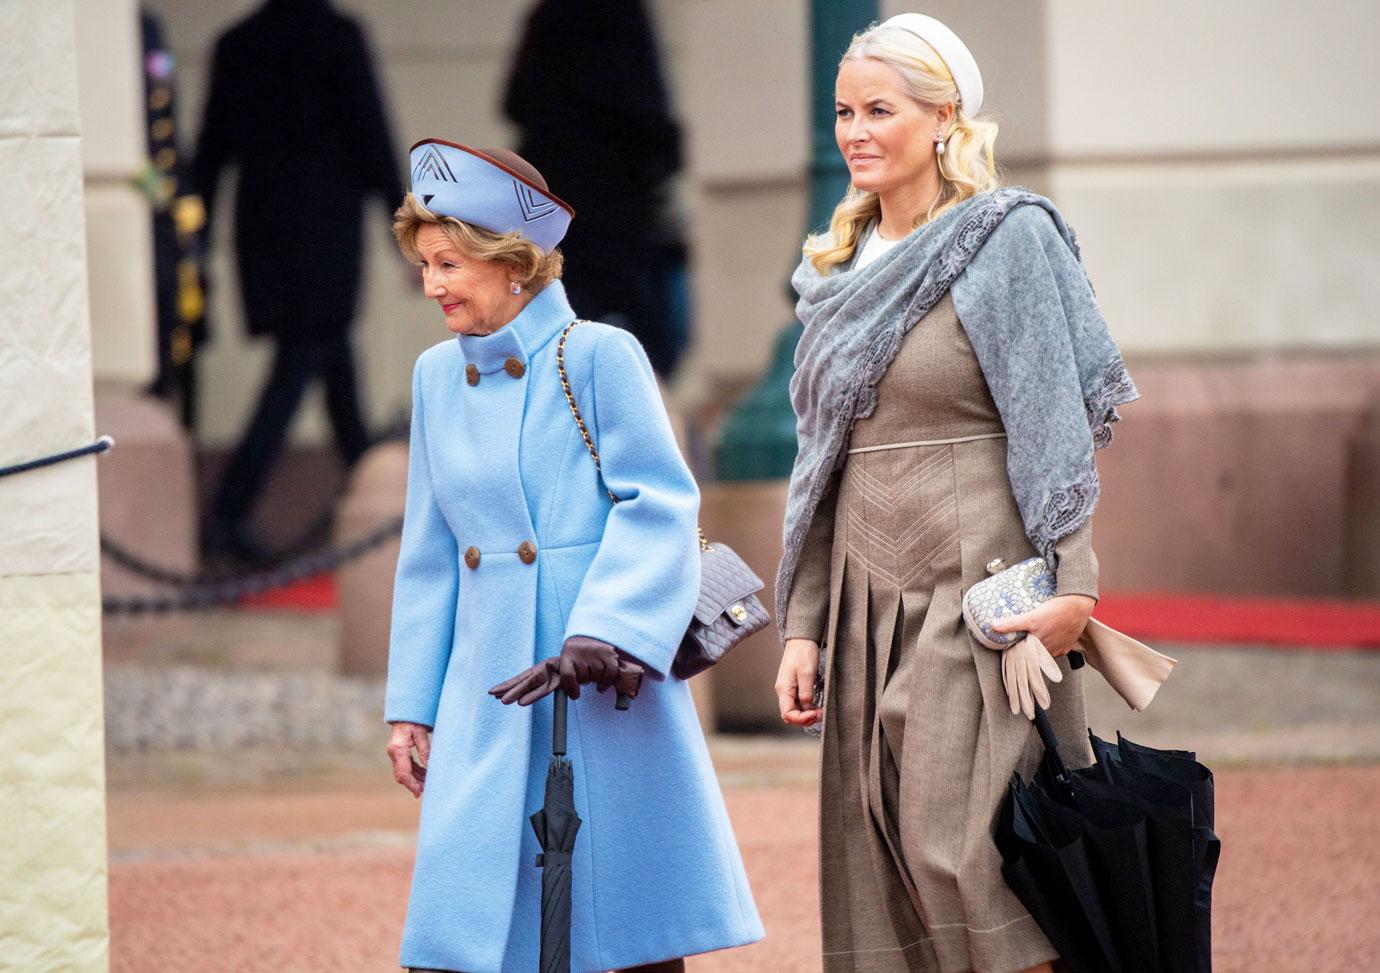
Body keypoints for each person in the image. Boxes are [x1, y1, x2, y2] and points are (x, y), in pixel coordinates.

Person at [772, 14, 1139, 973]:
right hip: (865, 596)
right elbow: (819, 464)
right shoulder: (833, 272)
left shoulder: (1003, 239)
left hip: (980, 592)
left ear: (943, 119)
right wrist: (804, 624)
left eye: (878, 110)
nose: (854, 130)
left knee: (967, 853)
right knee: (884, 856)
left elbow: (1052, 423)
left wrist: (1077, 585)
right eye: (844, 110)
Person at [384, 139, 763, 973]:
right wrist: (411, 705)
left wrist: (607, 631)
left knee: (610, 933)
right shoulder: (433, 378)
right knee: (466, 931)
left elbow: (659, 502)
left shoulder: (598, 356)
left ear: (512, 263)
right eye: (425, 264)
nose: (433, 284)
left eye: (449, 263)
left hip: (593, 685)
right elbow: (430, 553)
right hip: (490, 689)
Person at [193, 0, 401, 561]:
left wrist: (194, 242)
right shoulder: (339, 37)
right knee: (303, 362)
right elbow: (374, 140)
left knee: (329, 363)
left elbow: (210, 157)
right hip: (328, 230)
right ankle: (230, 512)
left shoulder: (238, 44)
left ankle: (374, 493)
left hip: (265, 234)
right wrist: (407, 233)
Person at [504, 0, 691, 379]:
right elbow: (650, 118)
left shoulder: (547, 19)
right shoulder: (626, 17)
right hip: (625, 215)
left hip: (557, 216)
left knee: (561, 344)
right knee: (649, 354)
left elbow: (514, 103)